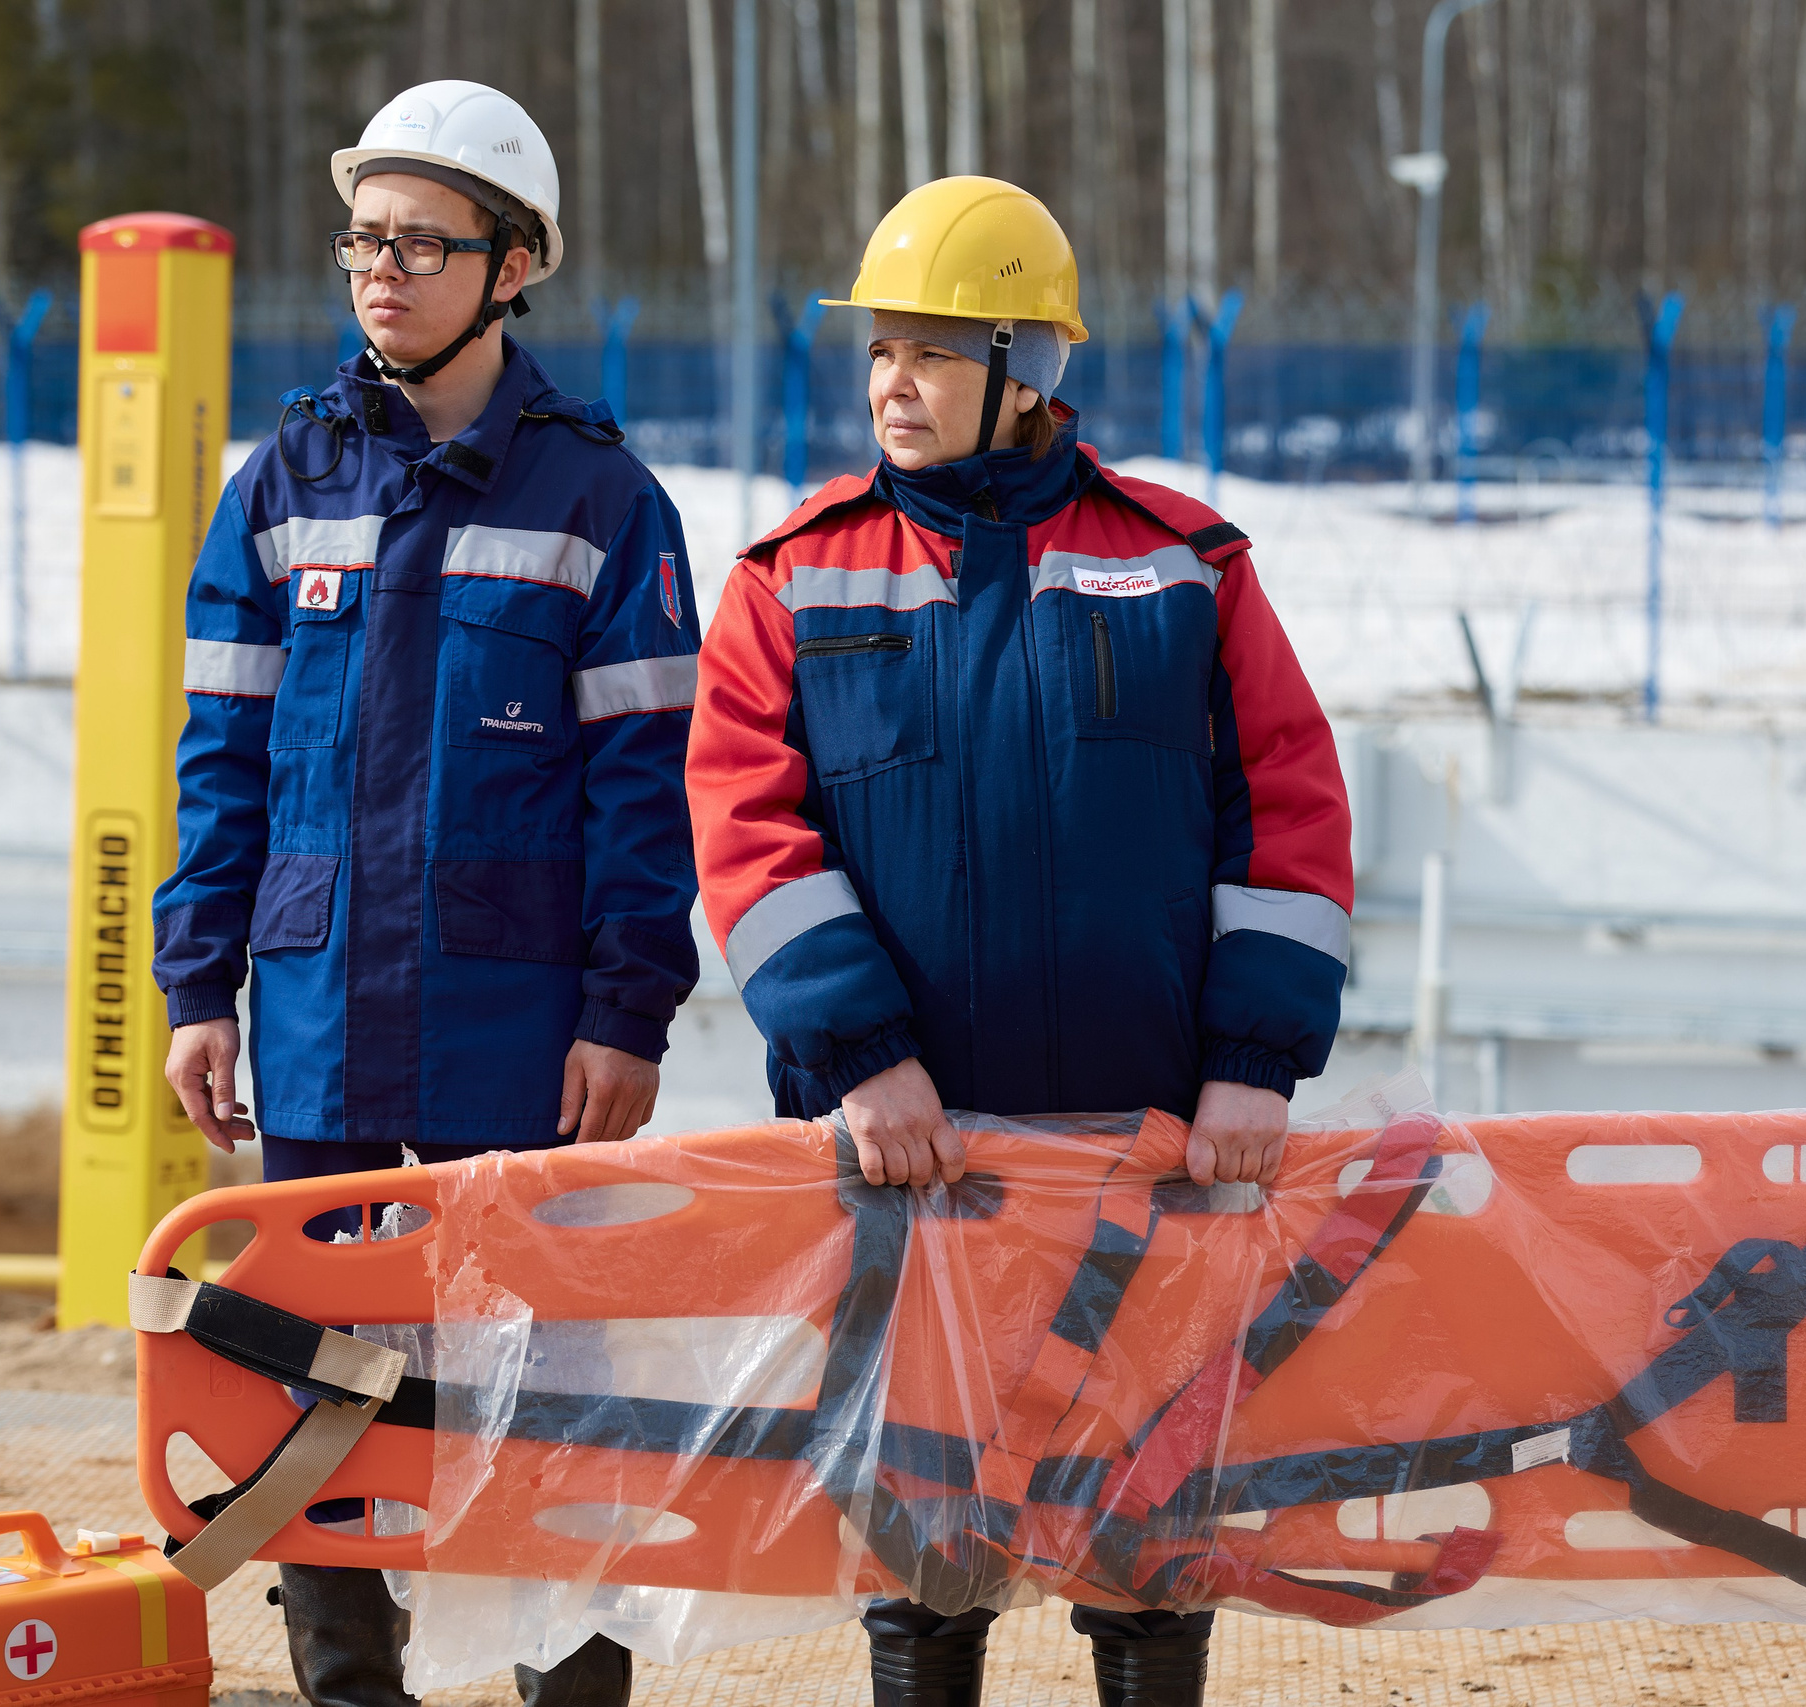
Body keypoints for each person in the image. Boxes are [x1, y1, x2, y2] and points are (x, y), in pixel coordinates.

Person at [686, 177, 1356, 1707]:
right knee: (927, 1548)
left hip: (1155, 1147)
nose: (889, 386)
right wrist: (861, 1059)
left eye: (927, 351)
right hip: (918, 1154)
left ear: (1027, 368)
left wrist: (1255, 1066)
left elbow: (1292, 811)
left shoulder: (1189, 564)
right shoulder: (795, 576)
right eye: (876, 352)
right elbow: (747, 828)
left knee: (1149, 1536)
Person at [153, 80, 699, 1707]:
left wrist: (626, 1013)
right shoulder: (284, 482)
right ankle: (348, 1690)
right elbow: (221, 751)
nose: (380, 271)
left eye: (421, 242)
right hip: (315, 1012)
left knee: (543, 1390)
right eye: (360, 241)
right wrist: (198, 985)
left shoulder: (602, 504)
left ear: (512, 264)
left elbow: (643, 796)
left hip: (516, 1032)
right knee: (311, 1385)